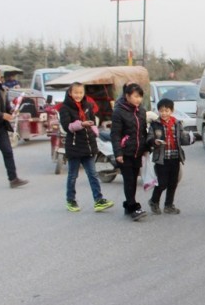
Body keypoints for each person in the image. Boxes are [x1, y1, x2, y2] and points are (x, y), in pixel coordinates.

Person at [58, 82, 114, 213]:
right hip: (74, 147)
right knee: (73, 176)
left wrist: (94, 130)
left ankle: (98, 200)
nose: (78, 95)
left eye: (81, 92)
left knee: (93, 175)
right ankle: (71, 201)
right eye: (75, 92)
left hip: (88, 146)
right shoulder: (65, 108)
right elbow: (67, 126)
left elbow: (92, 121)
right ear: (70, 93)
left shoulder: (87, 105)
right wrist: (81, 124)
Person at [146, 98, 192, 215]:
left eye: (167, 111)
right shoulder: (155, 124)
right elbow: (149, 138)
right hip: (161, 159)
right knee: (162, 183)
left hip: (175, 157)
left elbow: (182, 138)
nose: (164, 113)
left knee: (173, 183)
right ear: (158, 111)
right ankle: (154, 201)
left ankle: (169, 205)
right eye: (161, 111)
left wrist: (190, 138)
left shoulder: (177, 123)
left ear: (172, 111)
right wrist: (154, 142)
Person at [111, 83, 149, 221]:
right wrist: (118, 153)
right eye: (135, 96)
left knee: (133, 181)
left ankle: (128, 205)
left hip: (137, 152)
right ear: (127, 96)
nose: (138, 99)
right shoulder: (118, 112)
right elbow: (115, 135)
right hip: (125, 152)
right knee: (129, 180)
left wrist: (147, 147)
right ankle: (133, 207)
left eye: (140, 97)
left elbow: (143, 132)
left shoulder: (142, 111)